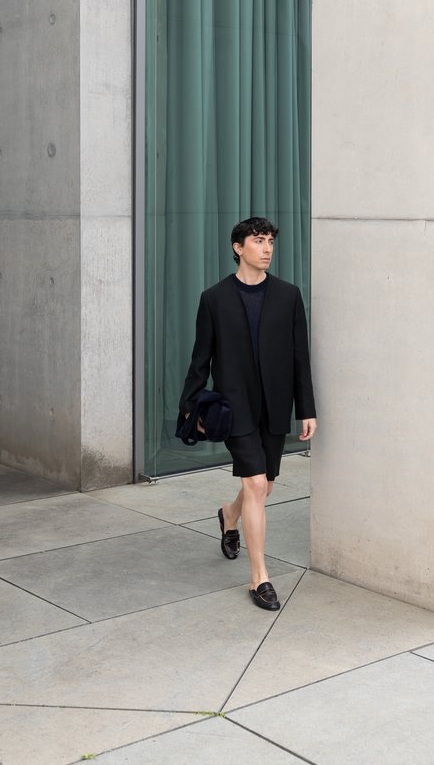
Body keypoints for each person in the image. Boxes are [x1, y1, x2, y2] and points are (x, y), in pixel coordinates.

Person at [179, 217, 317, 611]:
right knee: (256, 485)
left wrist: (306, 409)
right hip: (234, 406)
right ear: (238, 247)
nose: (268, 249)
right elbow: (200, 359)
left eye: (271, 241)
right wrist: (190, 409)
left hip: (275, 407)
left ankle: (228, 515)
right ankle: (260, 578)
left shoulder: (289, 296)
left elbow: (299, 358)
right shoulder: (214, 298)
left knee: (263, 487)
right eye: (259, 241)